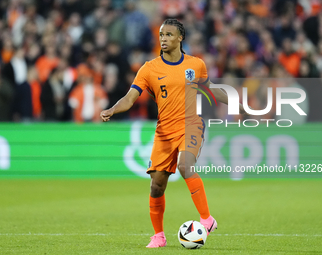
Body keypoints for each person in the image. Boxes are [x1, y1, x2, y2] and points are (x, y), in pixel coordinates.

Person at [100, 19, 246, 248]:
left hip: (190, 125)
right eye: (161, 34)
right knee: (156, 185)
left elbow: (212, 88)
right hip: (164, 131)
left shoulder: (195, 65)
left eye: (169, 34)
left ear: (180, 38)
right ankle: (158, 236)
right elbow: (130, 98)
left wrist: (237, 102)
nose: (164, 38)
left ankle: (207, 219)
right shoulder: (149, 68)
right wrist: (112, 109)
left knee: (185, 166)